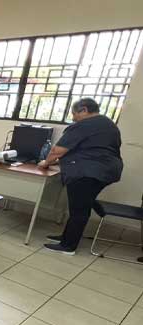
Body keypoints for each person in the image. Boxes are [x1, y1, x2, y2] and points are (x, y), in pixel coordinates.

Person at [38, 98, 123, 255]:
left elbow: (57, 150)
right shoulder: (108, 124)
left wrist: (45, 163)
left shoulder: (85, 124)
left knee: (79, 209)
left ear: (84, 110)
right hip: (106, 171)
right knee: (81, 205)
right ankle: (66, 237)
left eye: (74, 113)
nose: (73, 118)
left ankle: (68, 246)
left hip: (88, 172)